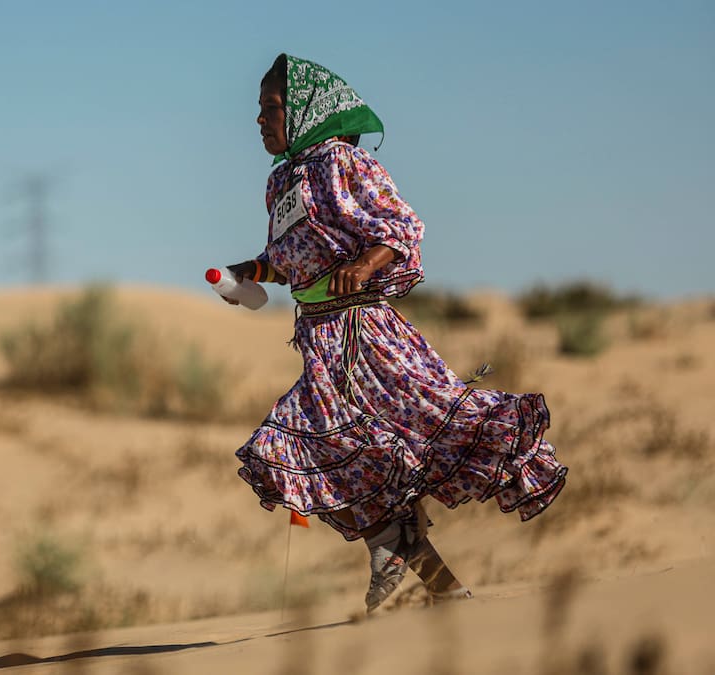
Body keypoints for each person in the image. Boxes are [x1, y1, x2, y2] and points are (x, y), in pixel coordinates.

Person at [223, 54, 568, 612]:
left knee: (391, 441)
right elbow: (292, 260)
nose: (259, 119)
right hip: (320, 342)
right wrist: (250, 273)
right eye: (259, 109)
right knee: (329, 453)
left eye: (271, 108)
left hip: (367, 336)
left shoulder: (342, 164)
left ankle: (405, 560)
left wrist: (365, 264)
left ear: (307, 111)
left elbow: (401, 227)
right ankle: (435, 584)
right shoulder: (283, 181)